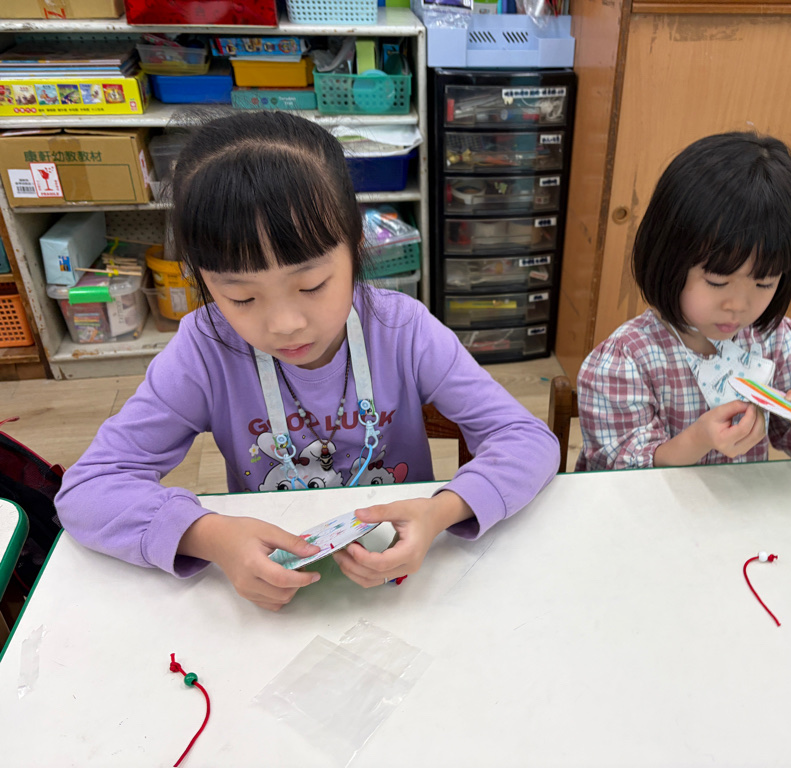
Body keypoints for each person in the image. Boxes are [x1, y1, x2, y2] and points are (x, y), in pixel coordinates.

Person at [55, 112, 559, 611]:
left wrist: (441, 512)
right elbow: (87, 490)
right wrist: (208, 535)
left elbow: (528, 440)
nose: (285, 324)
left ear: (356, 245)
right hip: (277, 602)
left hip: (406, 590)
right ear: (202, 279)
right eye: (241, 297)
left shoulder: (402, 330)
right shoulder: (205, 350)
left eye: (312, 285)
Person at [576, 131, 791, 471]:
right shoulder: (626, 361)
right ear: (668, 259)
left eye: (764, 282)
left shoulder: (777, 341)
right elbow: (613, 474)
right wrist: (696, 441)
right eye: (717, 281)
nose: (738, 305)